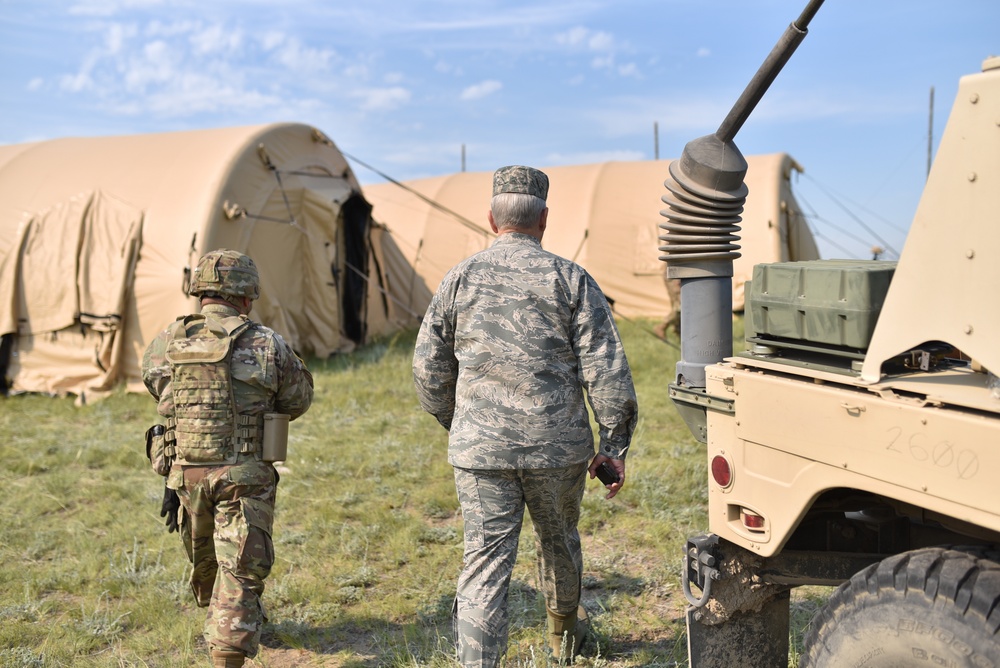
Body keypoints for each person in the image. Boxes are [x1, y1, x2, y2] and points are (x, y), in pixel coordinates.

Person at [412, 165, 638, 667]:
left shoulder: (459, 279)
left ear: (492, 219)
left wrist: (464, 423)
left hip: (481, 451)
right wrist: (614, 446)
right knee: (559, 542)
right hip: (558, 448)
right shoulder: (571, 278)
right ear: (545, 219)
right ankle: (564, 642)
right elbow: (607, 371)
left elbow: (428, 370)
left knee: (485, 562)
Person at [141, 249, 313, 668]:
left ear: (200, 290)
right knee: (239, 567)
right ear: (246, 295)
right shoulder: (266, 342)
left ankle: (235, 619)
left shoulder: (167, 339)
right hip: (243, 474)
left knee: (211, 559)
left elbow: (153, 383)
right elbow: (298, 398)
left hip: (186, 475)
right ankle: (228, 651)